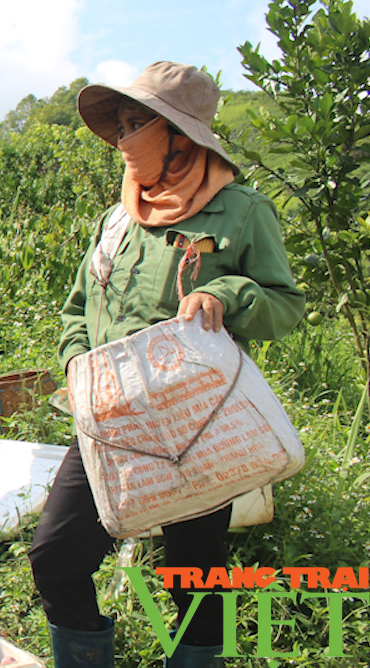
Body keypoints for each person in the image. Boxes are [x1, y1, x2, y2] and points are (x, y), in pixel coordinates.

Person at [28, 62, 305, 668]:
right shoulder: (117, 219)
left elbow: (286, 307)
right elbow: (78, 310)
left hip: (195, 421)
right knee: (56, 556)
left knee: (193, 572)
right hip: (107, 420)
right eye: (121, 125)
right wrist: (77, 367)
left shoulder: (240, 212)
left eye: (137, 124)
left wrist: (227, 295)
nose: (123, 141)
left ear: (180, 136)